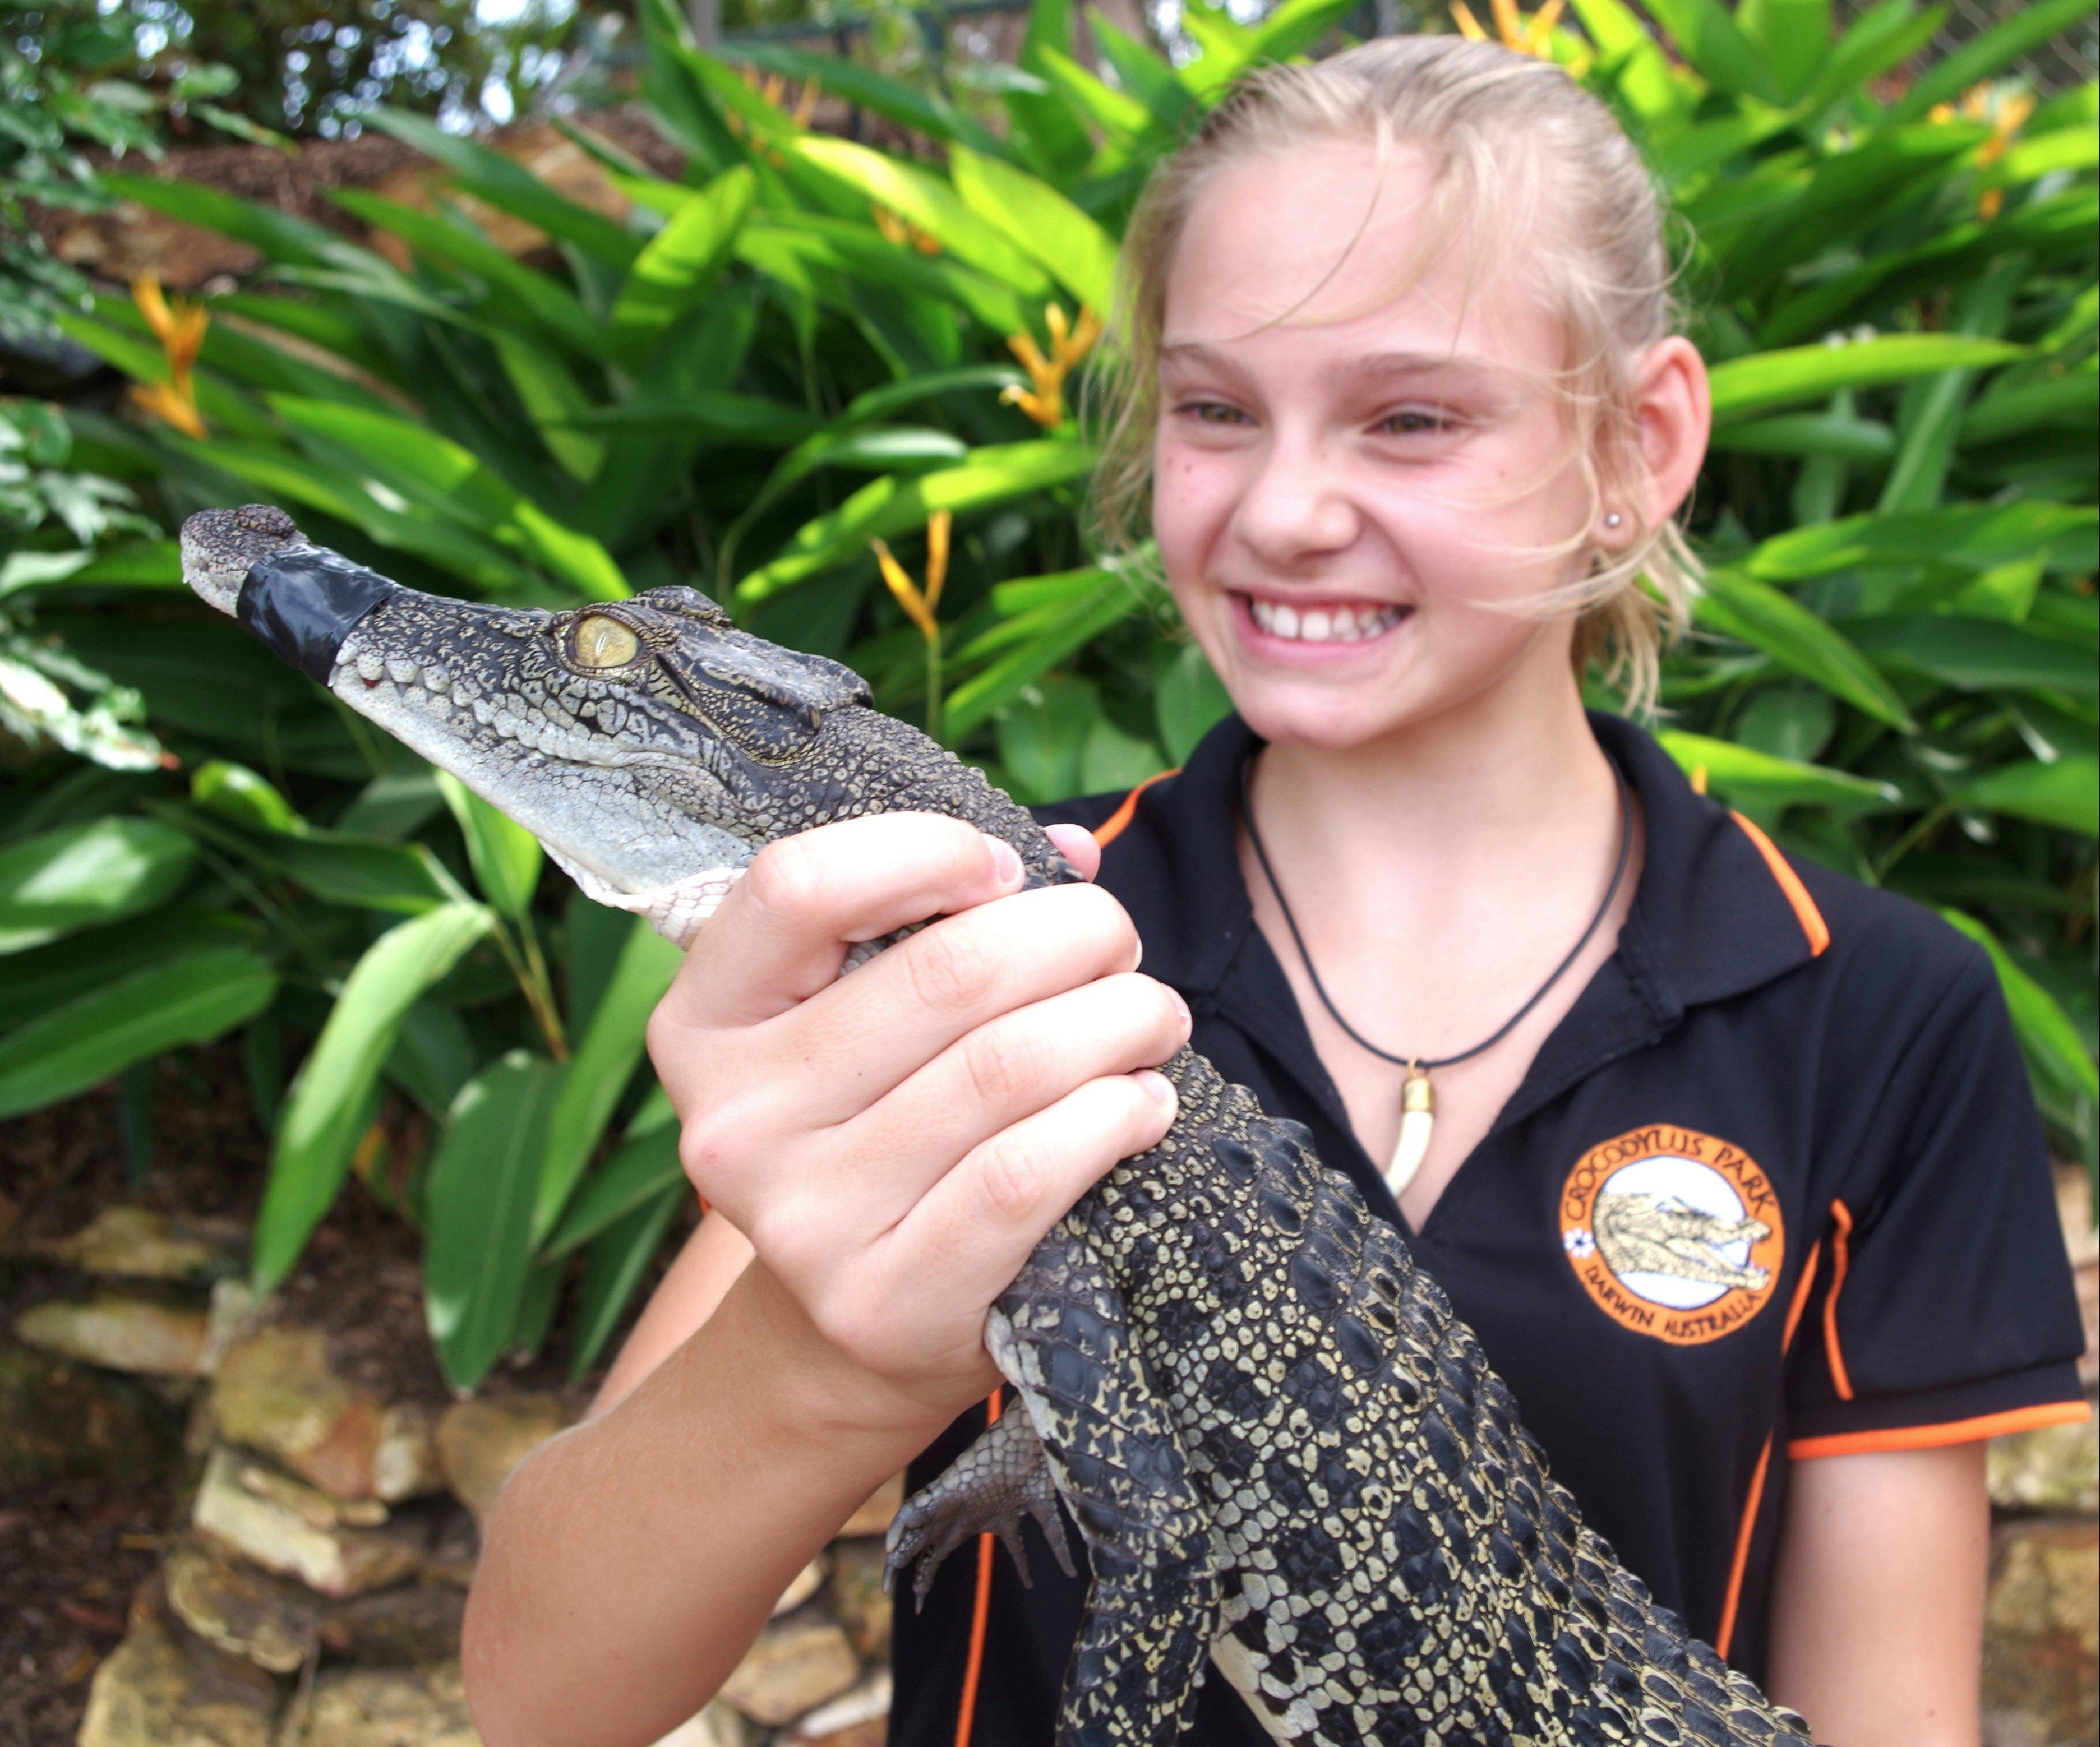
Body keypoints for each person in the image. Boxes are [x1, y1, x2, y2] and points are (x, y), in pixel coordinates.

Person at [460, 37, 2088, 1747]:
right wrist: (825, 1364)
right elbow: (544, 1695)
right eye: (1215, 409)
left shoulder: (1872, 1006)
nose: (1286, 510)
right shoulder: (993, 936)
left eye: (1410, 417)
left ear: (1639, 438)